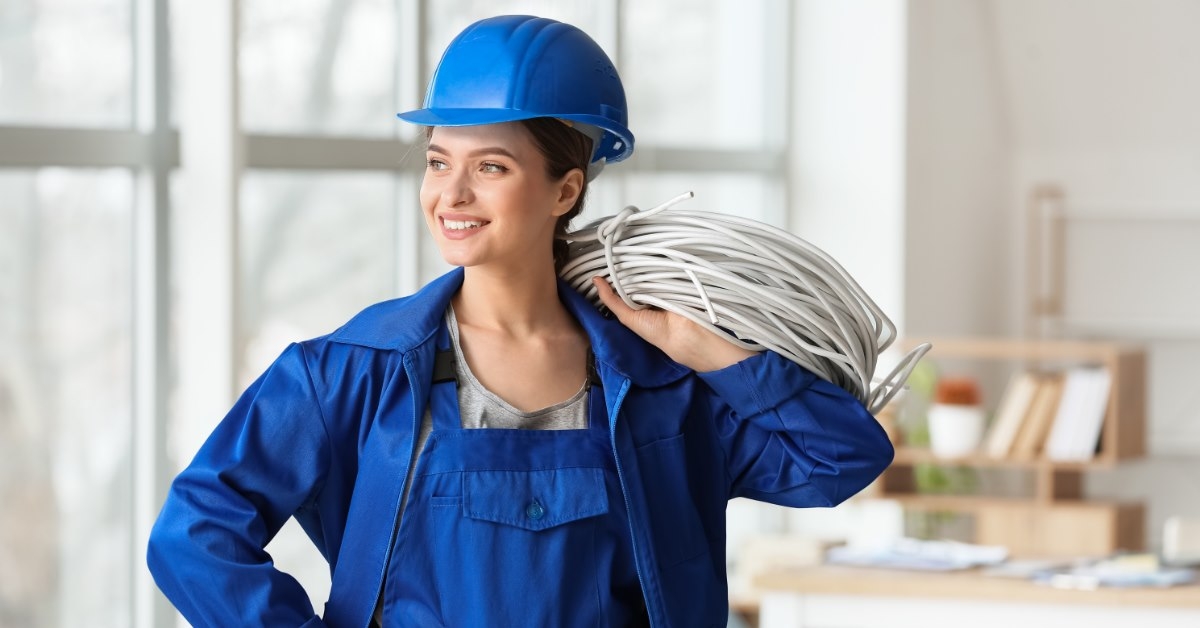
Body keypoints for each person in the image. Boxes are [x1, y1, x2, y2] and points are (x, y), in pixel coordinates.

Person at [147, 14, 894, 627]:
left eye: (491, 167)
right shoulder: (353, 372)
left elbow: (839, 460)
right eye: (439, 162)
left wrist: (705, 348)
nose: (452, 194)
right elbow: (194, 534)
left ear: (564, 190)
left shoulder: (662, 384)